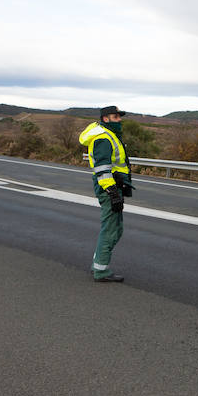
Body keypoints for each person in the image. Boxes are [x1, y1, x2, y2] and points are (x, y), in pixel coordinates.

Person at [79, 106, 134, 282]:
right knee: (111, 229)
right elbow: (102, 168)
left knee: (116, 229)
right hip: (108, 188)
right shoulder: (103, 138)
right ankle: (101, 270)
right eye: (115, 116)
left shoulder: (110, 135)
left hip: (114, 186)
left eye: (119, 116)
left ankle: (98, 264)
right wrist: (112, 192)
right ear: (105, 119)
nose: (119, 119)